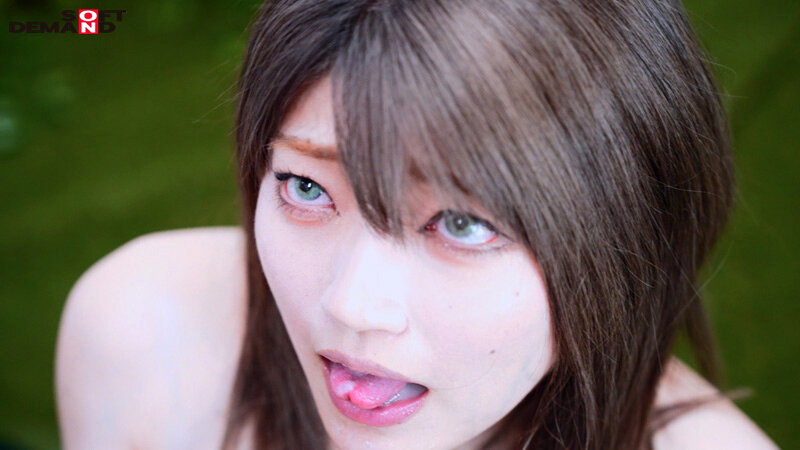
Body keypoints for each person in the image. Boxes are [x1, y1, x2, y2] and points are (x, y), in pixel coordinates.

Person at [55, 0, 779, 449]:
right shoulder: (145, 337)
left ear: (626, 239)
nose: (352, 306)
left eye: (462, 224)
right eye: (306, 187)